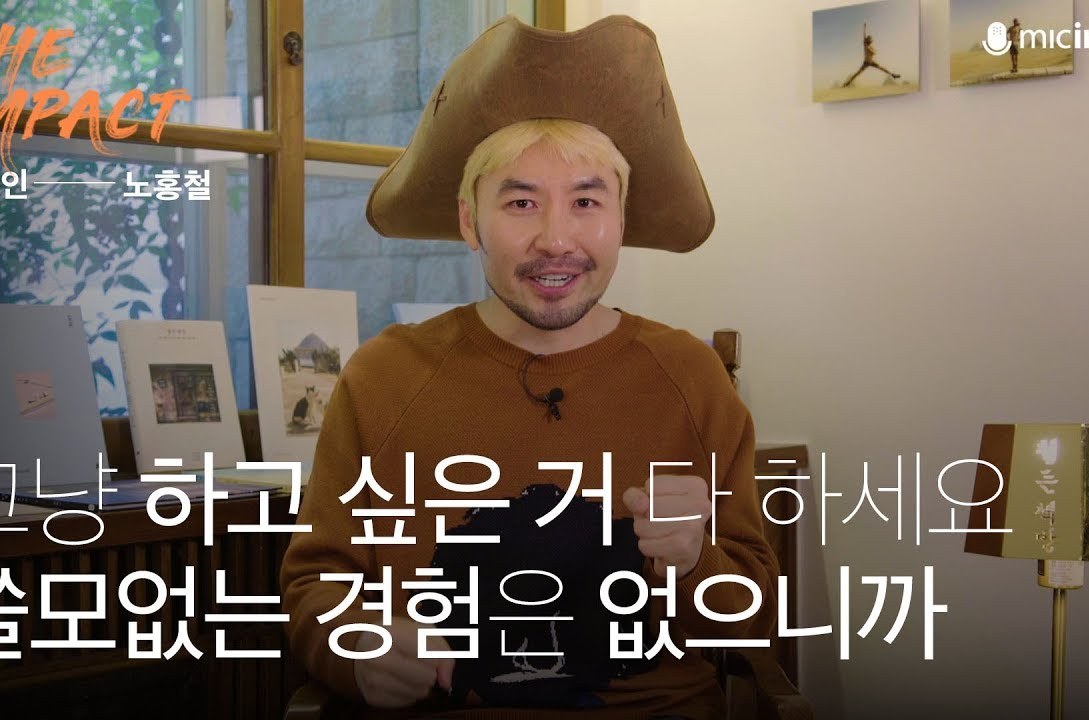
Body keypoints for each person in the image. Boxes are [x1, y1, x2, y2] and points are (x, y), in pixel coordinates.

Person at [280, 15, 778, 720]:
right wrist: (357, 649)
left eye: (586, 201)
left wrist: (696, 561)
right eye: (520, 202)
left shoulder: (692, 378)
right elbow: (316, 582)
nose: (556, 239)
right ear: (469, 221)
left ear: (621, 217)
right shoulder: (383, 377)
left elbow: (754, 621)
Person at [843, 21, 902, 87]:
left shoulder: (871, 47)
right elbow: (864, 35)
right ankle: (847, 83)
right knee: (857, 73)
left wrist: (871, 51)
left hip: (872, 62)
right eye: (868, 39)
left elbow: (875, 53)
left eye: (869, 39)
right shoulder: (865, 45)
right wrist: (864, 27)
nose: (869, 40)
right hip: (866, 62)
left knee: (883, 68)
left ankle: (893, 75)